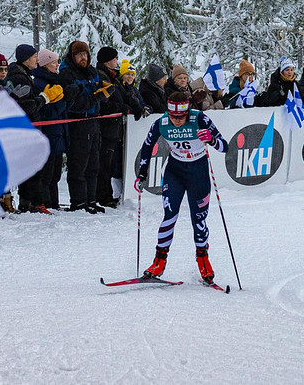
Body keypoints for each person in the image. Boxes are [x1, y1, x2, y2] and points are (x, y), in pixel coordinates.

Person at [135, 91, 229, 284]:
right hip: (175, 172)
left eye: (181, 117)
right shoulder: (161, 123)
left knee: (199, 219)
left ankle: (203, 259)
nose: (177, 121)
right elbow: (147, 146)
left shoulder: (199, 119)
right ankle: (159, 261)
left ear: (187, 112)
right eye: (173, 117)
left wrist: (211, 139)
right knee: (170, 215)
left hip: (198, 173)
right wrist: (142, 174)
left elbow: (225, 146)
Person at [7, 44, 64, 213]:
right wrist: (44, 98)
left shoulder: (25, 75)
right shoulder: (20, 77)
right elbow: (26, 105)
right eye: (34, 57)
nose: (36, 60)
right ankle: (32, 202)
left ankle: (29, 201)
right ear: (26, 59)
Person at [59, 41, 110, 213]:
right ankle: (79, 202)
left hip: (94, 120)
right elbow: (73, 103)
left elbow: (100, 88)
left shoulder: (91, 71)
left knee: (93, 164)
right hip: (79, 122)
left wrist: (104, 92)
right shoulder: (67, 74)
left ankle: (91, 199)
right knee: (79, 164)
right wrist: (96, 97)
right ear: (73, 56)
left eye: (86, 54)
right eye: (80, 55)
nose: (83, 58)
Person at [32, 49, 73, 212]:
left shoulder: (55, 81)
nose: (57, 65)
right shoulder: (40, 84)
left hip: (58, 132)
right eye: (53, 62)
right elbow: (47, 112)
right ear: (44, 64)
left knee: (55, 172)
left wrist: (67, 99)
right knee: (47, 172)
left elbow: (61, 110)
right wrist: (64, 101)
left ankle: (53, 202)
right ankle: (45, 202)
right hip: (48, 132)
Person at [95, 47, 126, 211]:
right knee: (104, 164)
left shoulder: (112, 76)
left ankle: (106, 195)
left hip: (113, 125)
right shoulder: (102, 76)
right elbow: (105, 102)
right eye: (114, 59)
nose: (116, 61)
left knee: (108, 162)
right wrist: (120, 107)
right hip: (106, 126)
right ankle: (103, 196)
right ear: (107, 61)